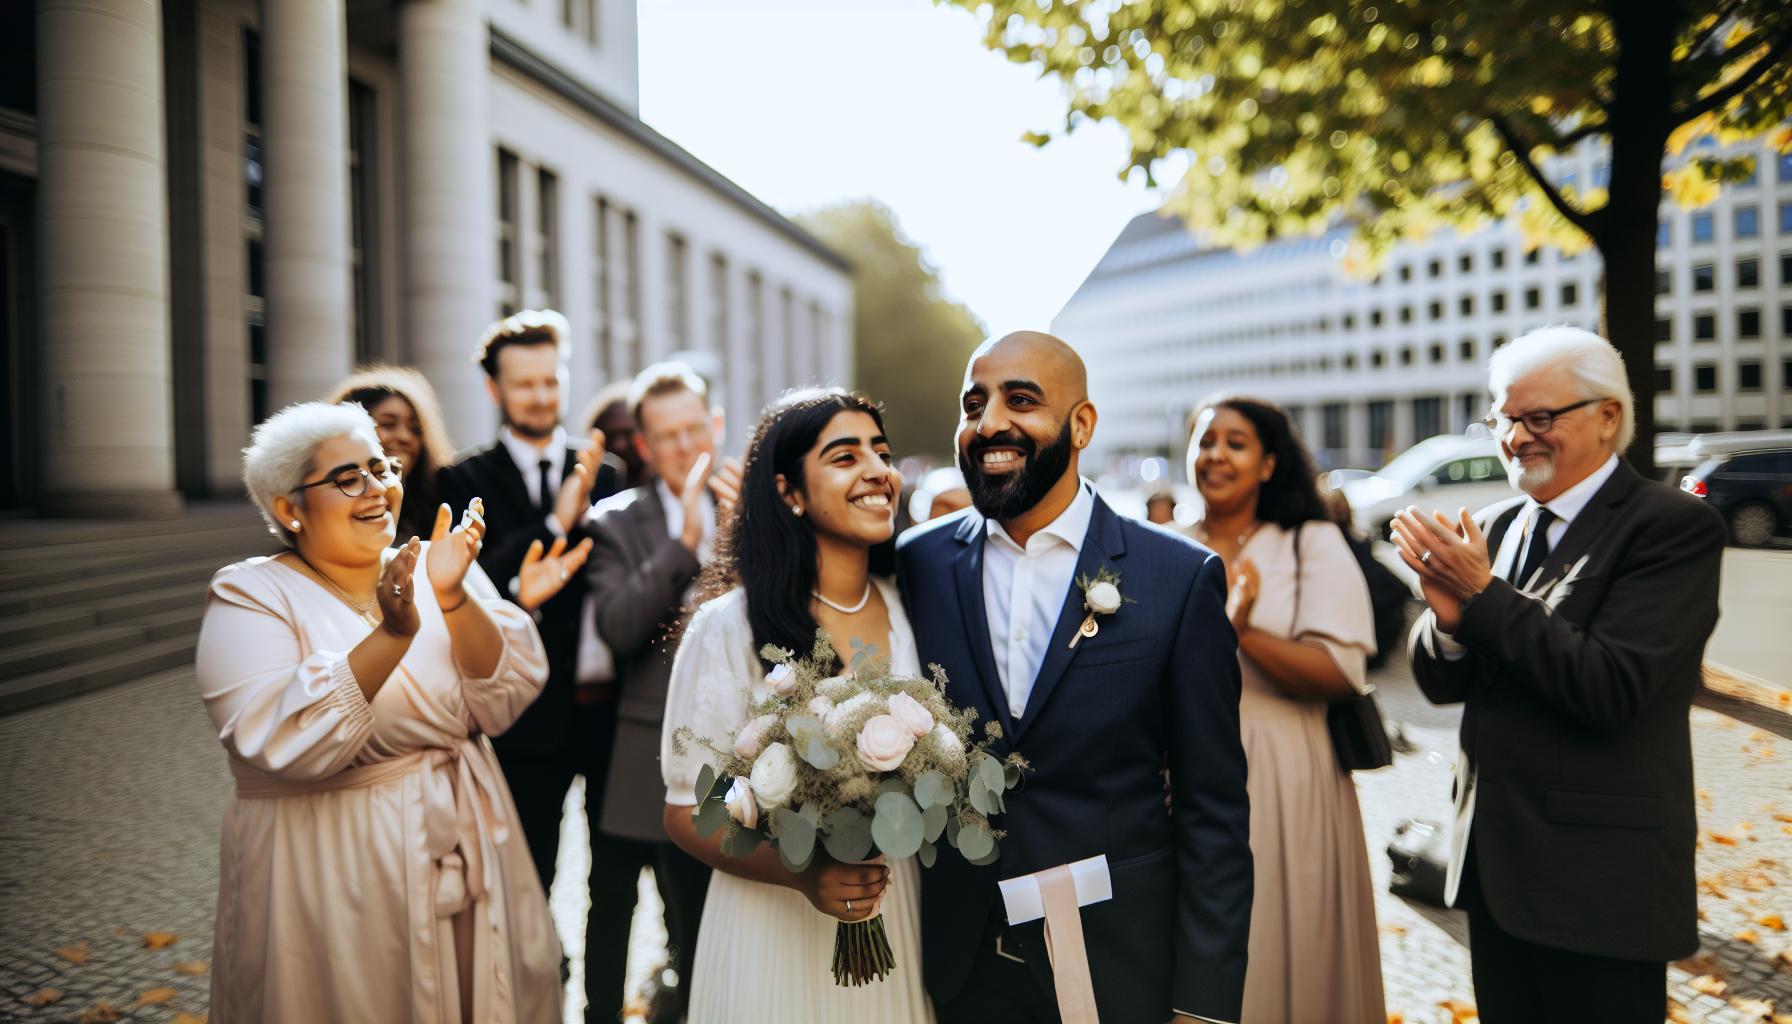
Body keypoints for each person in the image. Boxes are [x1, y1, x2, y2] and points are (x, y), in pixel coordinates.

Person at [897, 331, 1253, 1024]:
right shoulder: (918, 564)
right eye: (973, 404)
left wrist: (1204, 1006)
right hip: (958, 965)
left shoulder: (1177, 579)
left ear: (1081, 424)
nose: (990, 422)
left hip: (1117, 959)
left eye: (1020, 400)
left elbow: (1214, 811)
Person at [196, 400, 588, 1023]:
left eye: (382, 468)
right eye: (347, 478)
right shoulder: (249, 594)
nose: (378, 489)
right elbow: (277, 736)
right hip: (329, 865)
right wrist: (393, 633)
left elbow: (504, 694)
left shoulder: (432, 564)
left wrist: (455, 595)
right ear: (289, 509)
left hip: (468, 838)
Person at [1396, 326, 1726, 1023]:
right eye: (1502, 418)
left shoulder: (1671, 526)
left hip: (1600, 888)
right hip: (1493, 874)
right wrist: (1451, 621)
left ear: (1608, 416)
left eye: (1538, 417)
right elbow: (1440, 682)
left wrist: (1482, 599)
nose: (1515, 438)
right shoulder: (1496, 522)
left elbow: (1613, 688)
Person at [659, 388, 932, 1022]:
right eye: (844, 456)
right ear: (789, 491)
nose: (876, 471)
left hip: (893, 909)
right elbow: (683, 811)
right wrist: (800, 875)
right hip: (771, 924)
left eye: (882, 452)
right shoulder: (728, 627)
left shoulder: (913, 605)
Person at [435, 309, 626, 1016]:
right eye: (526, 385)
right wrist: (555, 523)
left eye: (553, 380)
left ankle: (603, 1008)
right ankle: (532, 1000)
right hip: (523, 723)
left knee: (613, 880)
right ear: (495, 391)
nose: (543, 397)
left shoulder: (606, 471)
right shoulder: (462, 480)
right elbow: (472, 583)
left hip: (608, 713)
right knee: (527, 878)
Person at [1187, 395, 1386, 1023]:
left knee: (1280, 939)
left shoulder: (1310, 543)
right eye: (1204, 439)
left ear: (1269, 464)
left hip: (1284, 766)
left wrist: (1240, 631)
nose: (1215, 453)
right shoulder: (1163, 547)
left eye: (1235, 442)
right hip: (1183, 772)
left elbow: (1340, 672)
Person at [583, 363, 741, 1019]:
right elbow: (619, 627)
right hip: (648, 749)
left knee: (718, 911)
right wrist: (683, 548)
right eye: (665, 436)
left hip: (747, 742)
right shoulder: (614, 523)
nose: (683, 447)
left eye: (693, 429)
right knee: (621, 899)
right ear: (643, 446)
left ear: (717, 427)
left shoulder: (754, 507)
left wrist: (740, 534)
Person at [326, 364, 456, 541]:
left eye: (415, 429)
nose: (405, 437)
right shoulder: (329, 508)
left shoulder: (439, 505)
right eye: (388, 424)